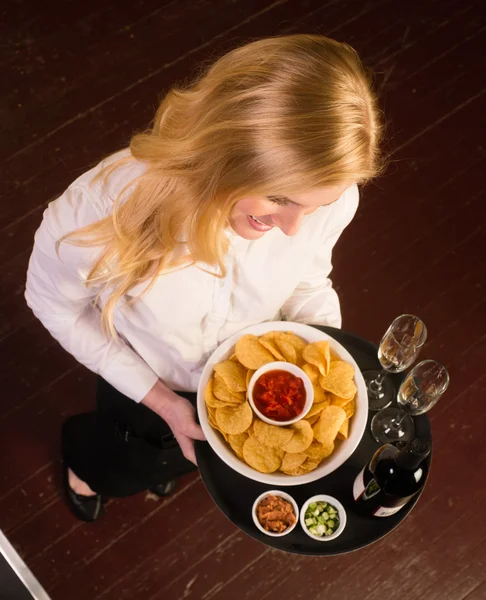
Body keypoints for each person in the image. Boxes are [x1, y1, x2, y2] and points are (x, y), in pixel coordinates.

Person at [25, 34, 383, 522]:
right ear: (228, 149)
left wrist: (326, 365)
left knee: (172, 460)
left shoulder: (332, 196)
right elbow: (52, 306)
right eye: (280, 198)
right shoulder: (97, 213)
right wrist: (165, 404)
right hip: (146, 379)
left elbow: (309, 280)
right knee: (121, 458)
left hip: (243, 389)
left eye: (316, 206)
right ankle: (87, 472)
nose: (295, 228)